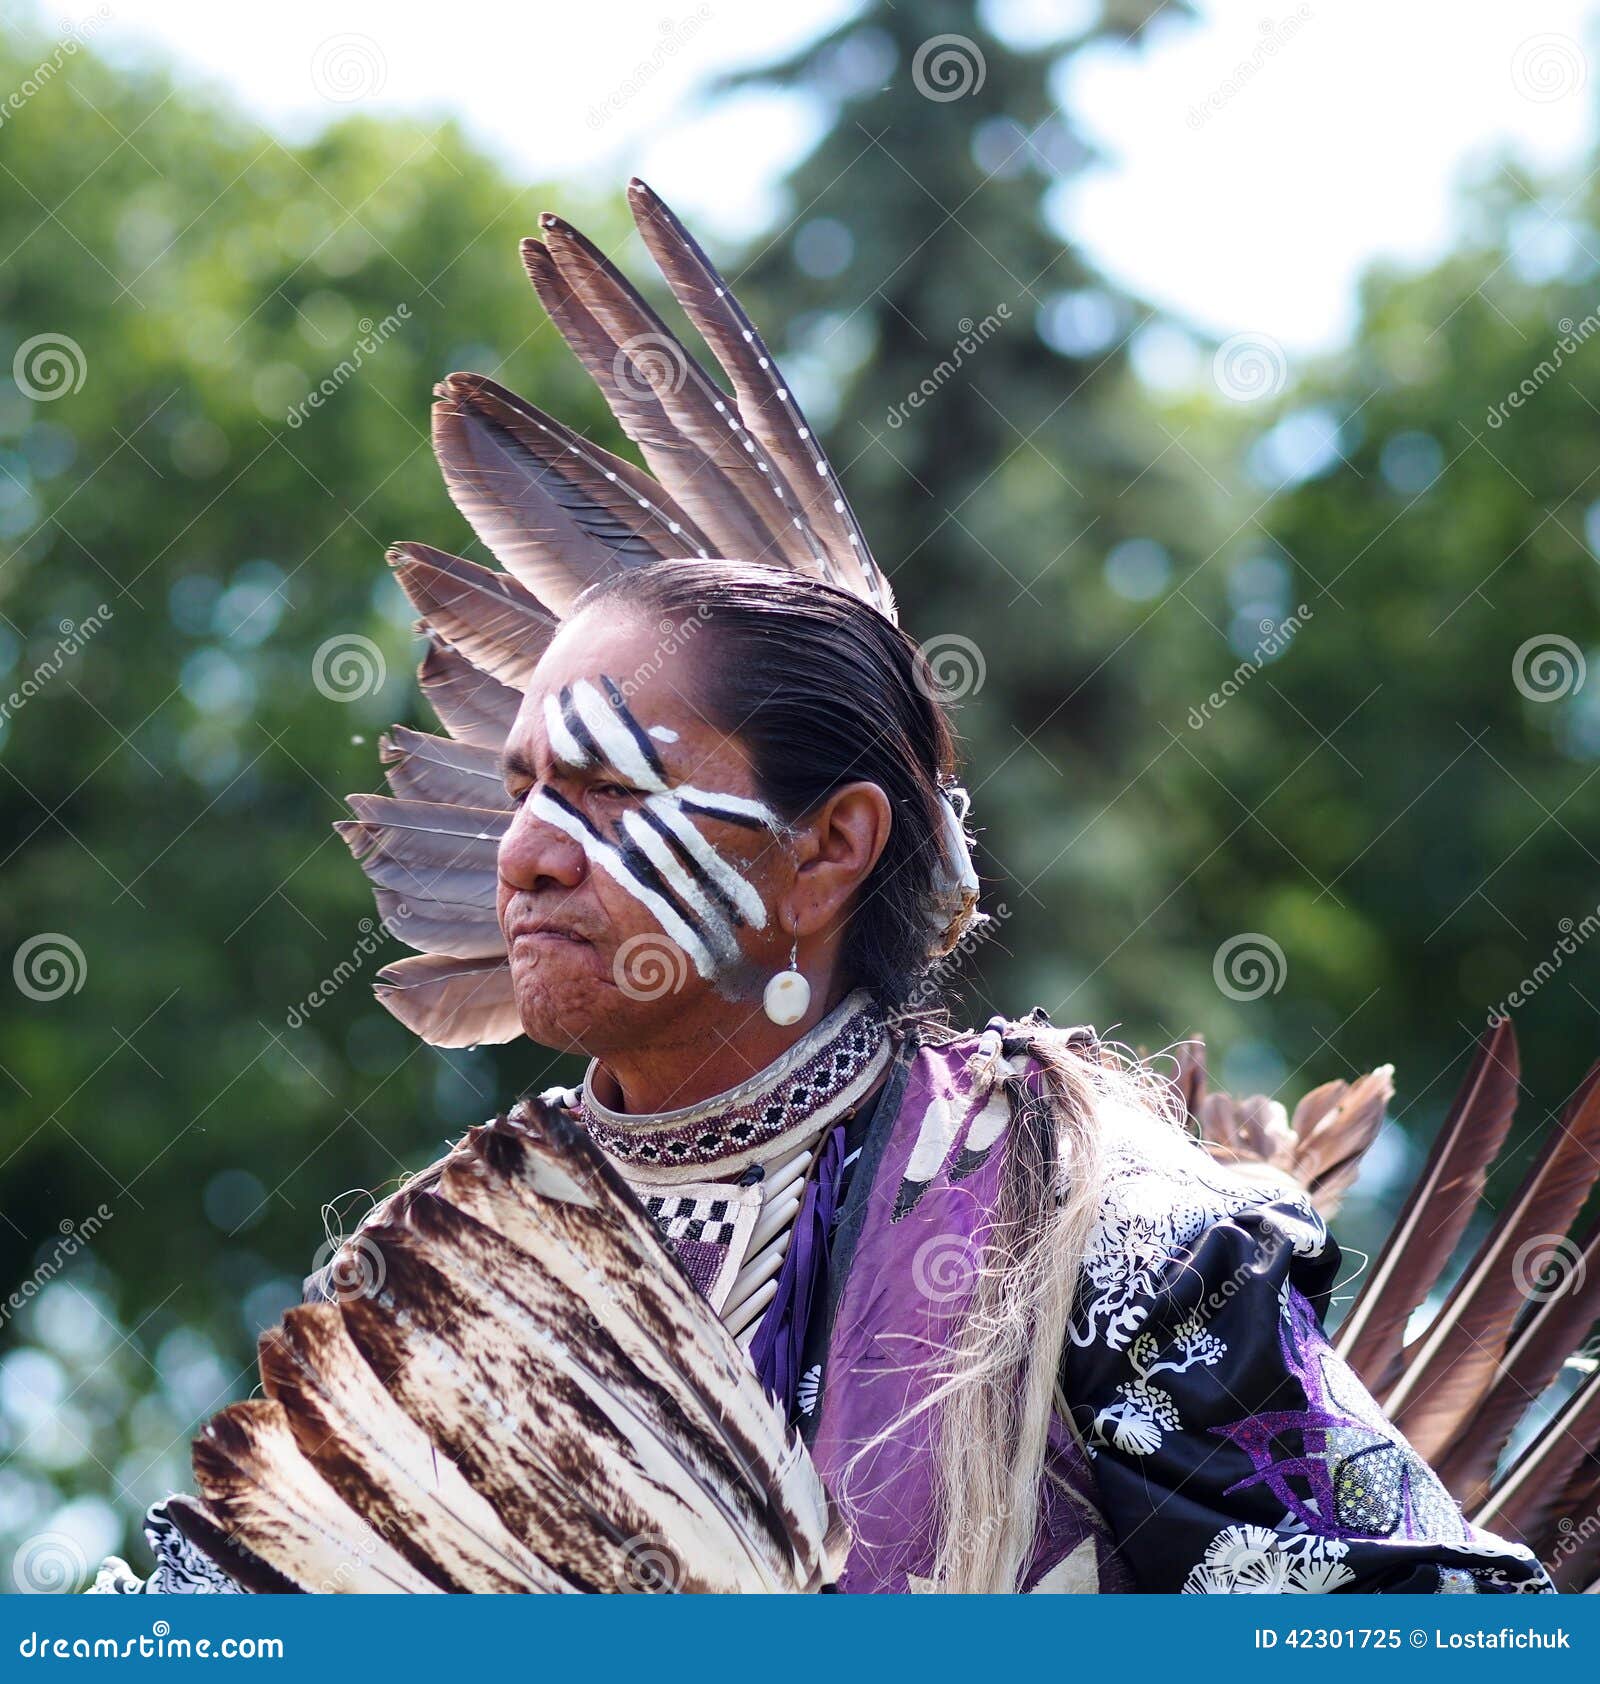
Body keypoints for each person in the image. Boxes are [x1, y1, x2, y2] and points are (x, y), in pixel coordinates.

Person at [92, 185, 1555, 1595]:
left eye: (610, 795)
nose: (529, 848)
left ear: (830, 849)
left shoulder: (1077, 1222)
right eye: (529, 787)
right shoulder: (450, 1292)